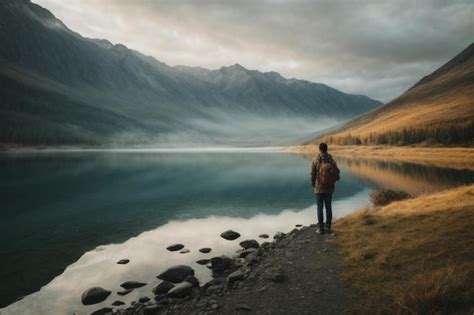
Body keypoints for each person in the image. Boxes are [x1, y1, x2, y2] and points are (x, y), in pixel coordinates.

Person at [310, 143, 340, 234]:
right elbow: (337, 174)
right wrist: (332, 180)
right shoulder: (332, 160)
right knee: (328, 207)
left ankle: (321, 228)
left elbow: (312, 174)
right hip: (330, 188)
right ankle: (328, 226)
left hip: (318, 188)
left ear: (319, 149)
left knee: (319, 207)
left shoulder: (315, 160)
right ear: (327, 149)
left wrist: (313, 184)